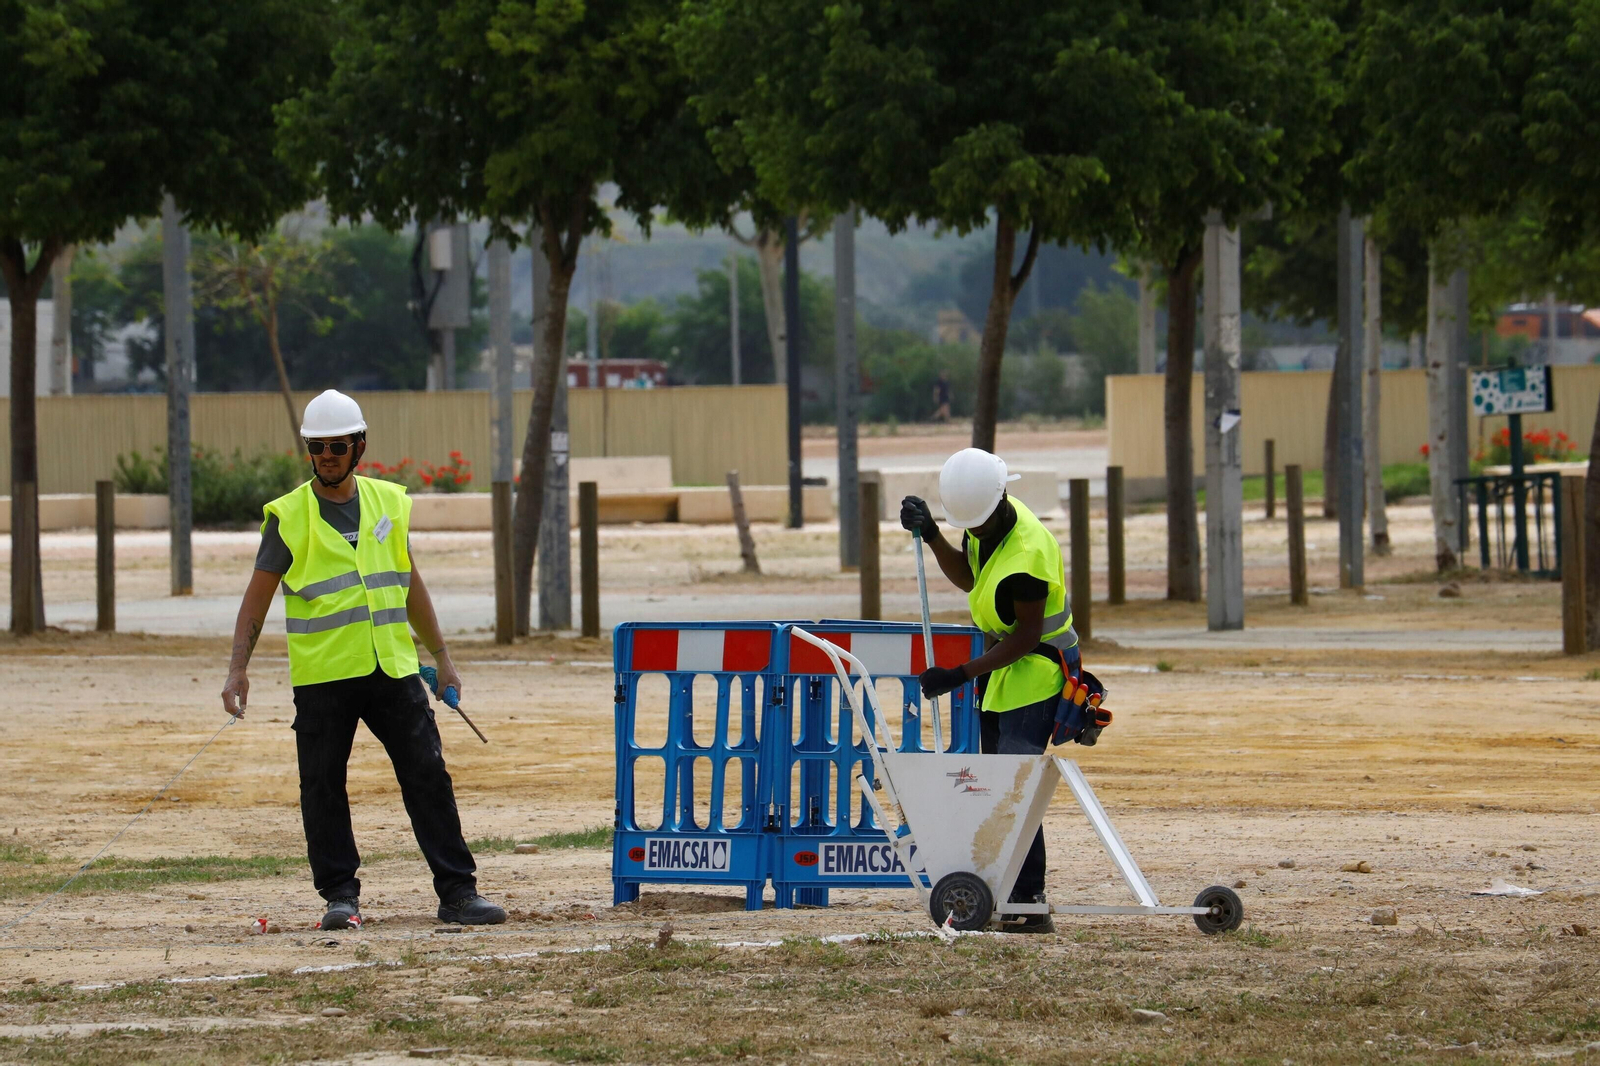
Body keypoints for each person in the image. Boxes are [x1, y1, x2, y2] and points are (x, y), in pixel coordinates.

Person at [220, 390, 506, 931]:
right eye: (317, 446)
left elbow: (408, 582)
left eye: (336, 445)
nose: (326, 455)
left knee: (427, 775)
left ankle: (459, 894)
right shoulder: (288, 517)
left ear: (359, 447)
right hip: (324, 677)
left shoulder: (388, 504)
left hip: (393, 670)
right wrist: (238, 668)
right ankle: (340, 898)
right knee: (322, 785)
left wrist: (441, 657)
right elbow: (255, 598)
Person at [900, 448, 1078, 934]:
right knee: (997, 785)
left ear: (1002, 498)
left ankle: (1028, 898)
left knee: (1016, 788)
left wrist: (958, 674)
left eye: (976, 525)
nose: (973, 533)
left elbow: (1024, 637)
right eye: (966, 526)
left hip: (1038, 673)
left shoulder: (1028, 554)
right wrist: (934, 534)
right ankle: (1006, 887)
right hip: (1002, 674)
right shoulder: (982, 522)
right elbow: (971, 578)